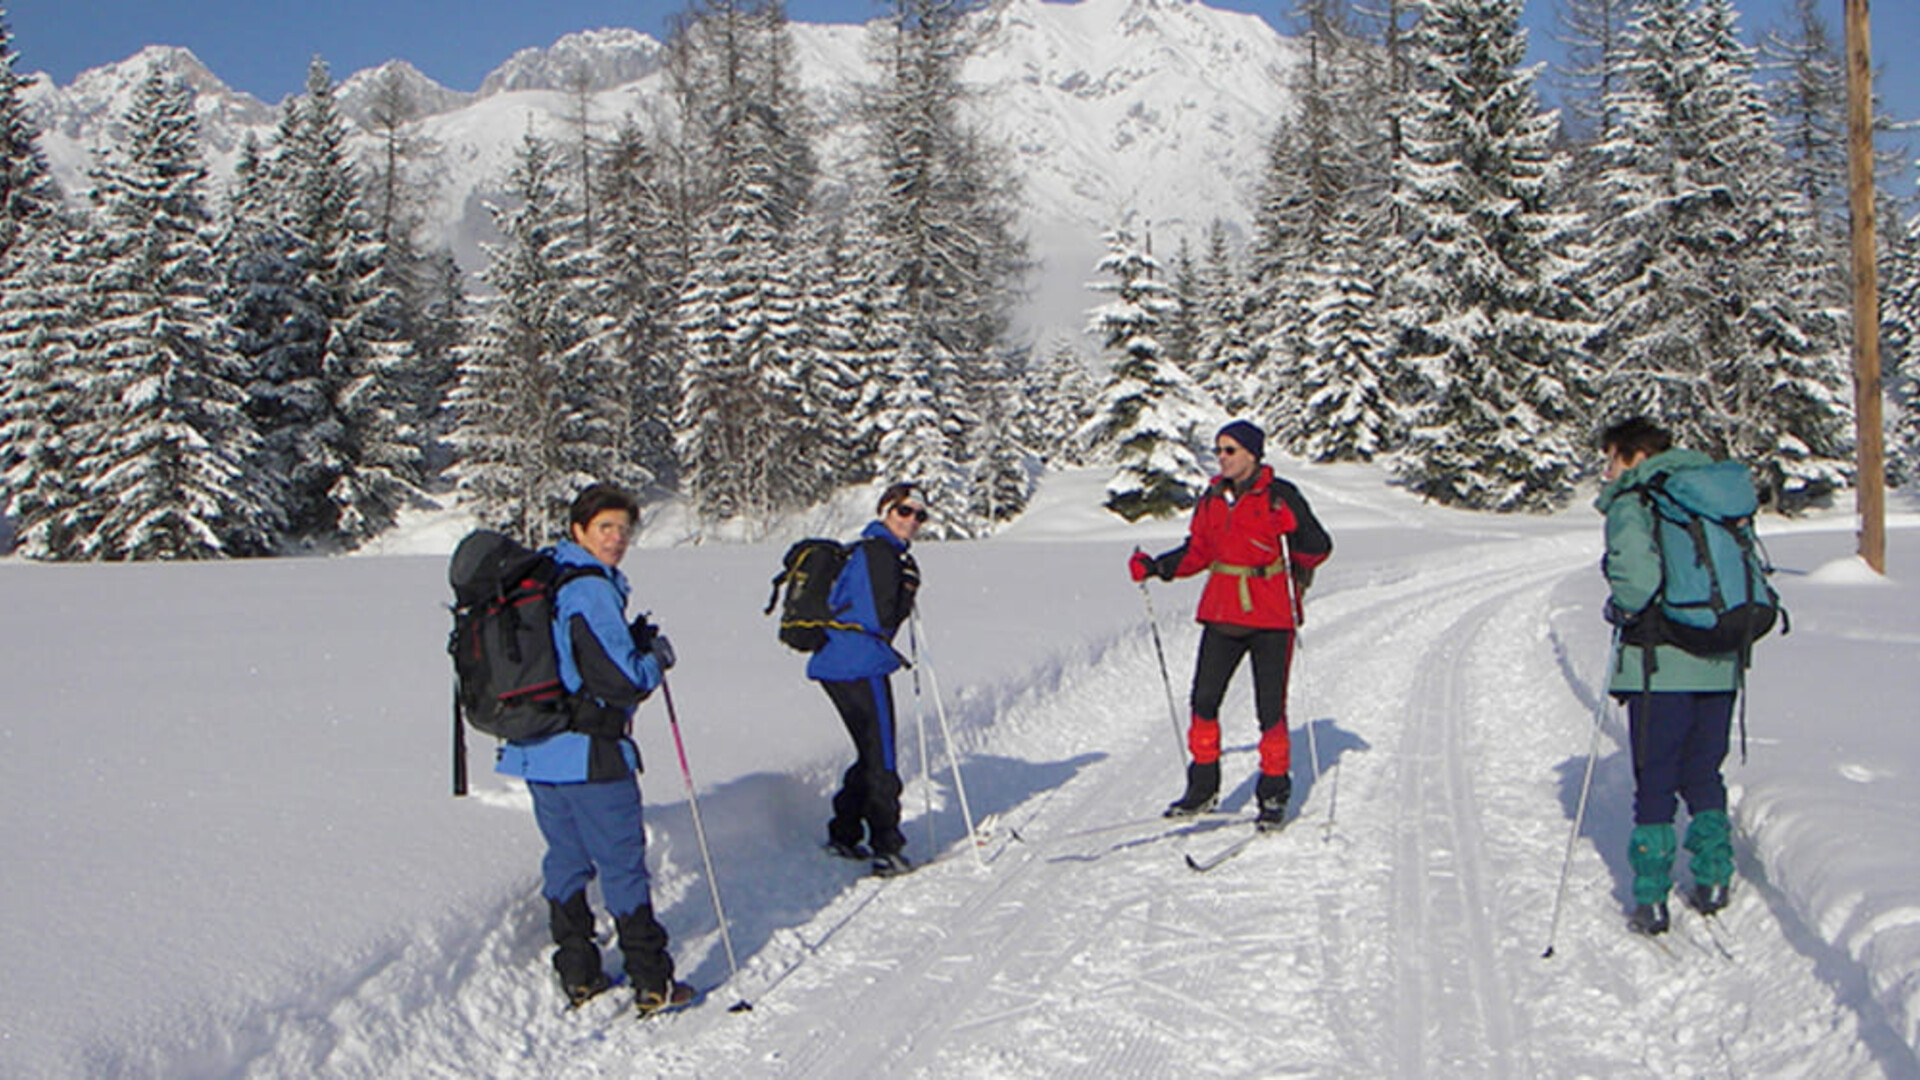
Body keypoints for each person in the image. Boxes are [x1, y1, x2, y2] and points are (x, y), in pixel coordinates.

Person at [493, 484, 694, 1016]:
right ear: (579, 529)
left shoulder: (545, 577)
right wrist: (654, 657)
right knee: (622, 864)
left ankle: (578, 971)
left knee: (565, 857)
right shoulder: (588, 589)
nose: (617, 539)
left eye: (625, 530)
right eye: (605, 527)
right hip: (591, 752)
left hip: (537, 747)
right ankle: (652, 981)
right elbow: (622, 679)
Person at [1130, 420, 1332, 831]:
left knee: (1269, 709)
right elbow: (1199, 551)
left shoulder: (1280, 496)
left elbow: (1317, 546)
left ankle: (1273, 794)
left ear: (1252, 454)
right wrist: (1157, 567)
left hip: (1272, 617)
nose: (1221, 457)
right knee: (1204, 701)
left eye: (1230, 450)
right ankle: (1202, 789)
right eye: (1219, 449)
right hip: (1222, 613)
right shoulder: (1212, 499)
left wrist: (1295, 562)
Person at [1597, 417, 1740, 936]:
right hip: (1722, 659)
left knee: (1656, 780)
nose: (1607, 470)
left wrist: (1619, 605)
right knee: (1704, 771)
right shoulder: (1712, 493)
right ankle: (1714, 878)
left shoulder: (1636, 501)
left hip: (1662, 665)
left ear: (1635, 456)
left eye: (1611, 458)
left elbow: (1637, 584)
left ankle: (1652, 899)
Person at [810, 481, 925, 876]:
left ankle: (844, 831)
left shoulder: (868, 550)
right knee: (882, 755)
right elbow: (880, 618)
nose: (912, 521)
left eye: (919, 515)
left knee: (870, 749)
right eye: (904, 511)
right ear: (885, 512)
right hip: (858, 663)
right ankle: (886, 846)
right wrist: (907, 591)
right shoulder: (879, 553)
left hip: (837, 661)